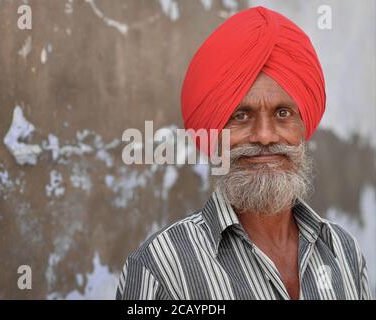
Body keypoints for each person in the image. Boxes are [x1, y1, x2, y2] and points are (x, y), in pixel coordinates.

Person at [116, 6, 372, 300]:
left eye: (283, 113)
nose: (264, 136)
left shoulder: (345, 252)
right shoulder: (162, 268)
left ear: (303, 128)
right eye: (241, 116)